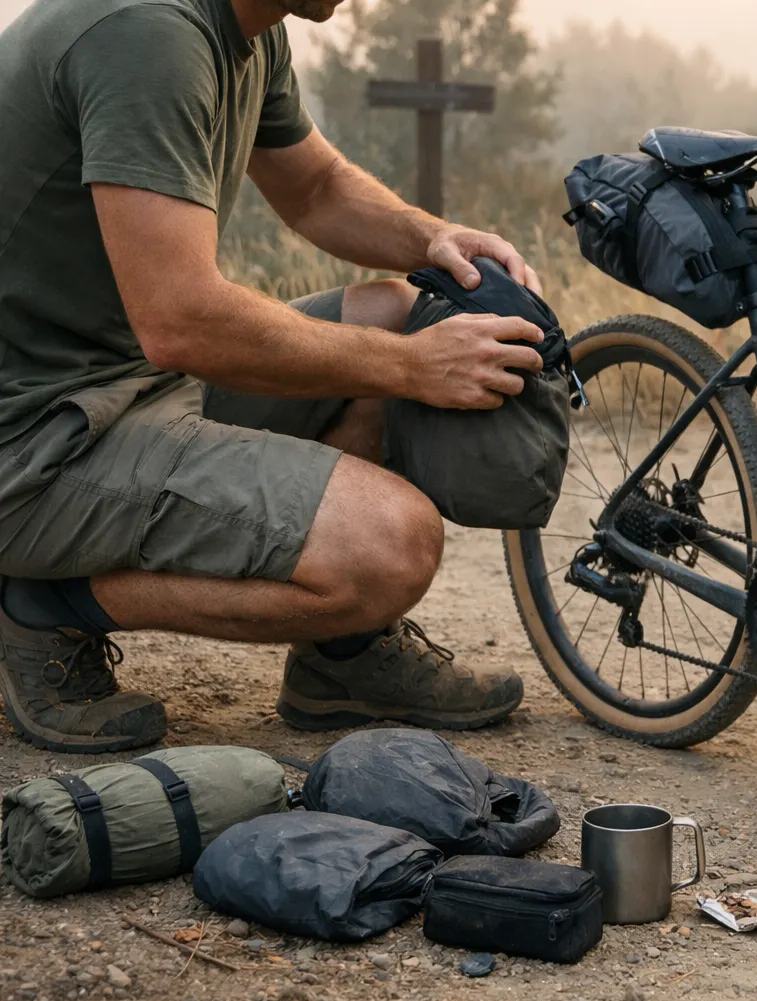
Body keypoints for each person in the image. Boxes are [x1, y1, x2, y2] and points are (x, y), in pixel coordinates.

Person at [0, 0, 544, 753]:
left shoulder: (249, 28)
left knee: (397, 308)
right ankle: (45, 599)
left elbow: (316, 187)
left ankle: (341, 661)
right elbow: (180, 319)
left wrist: (432, 238)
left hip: (129, 384)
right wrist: (415, 368)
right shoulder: (148, 34)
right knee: (392, 547)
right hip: (32, 446)